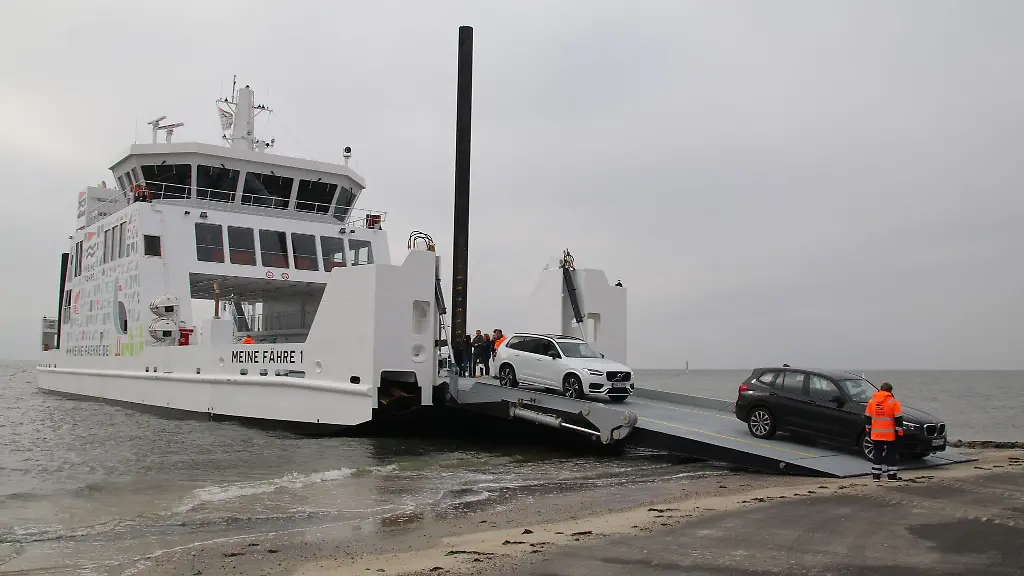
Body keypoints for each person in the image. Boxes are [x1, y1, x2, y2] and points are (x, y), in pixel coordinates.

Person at [865, 382, 903, 482]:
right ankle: (891, 476)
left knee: (877, 454)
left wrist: (869, 430)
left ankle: (876, 476)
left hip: (876, 434)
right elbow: (898, 419)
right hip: (890, 434)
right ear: (890, 391)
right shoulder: (894, 402)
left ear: (880, 389)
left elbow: (867, 418)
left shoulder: (872, 402)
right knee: (891, 454)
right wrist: (899, 432)